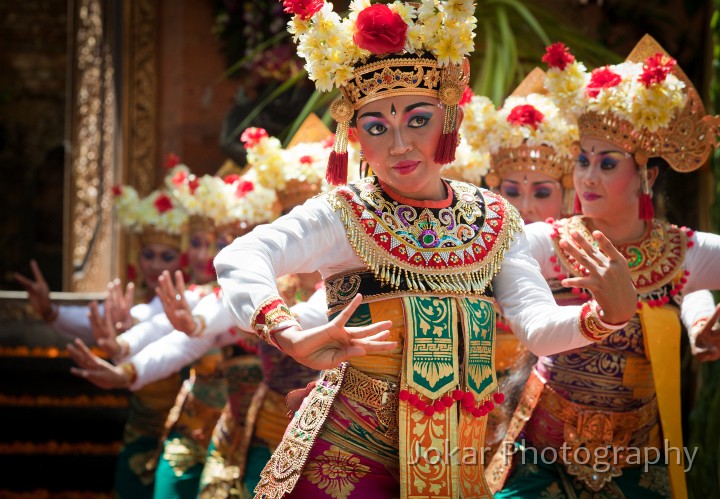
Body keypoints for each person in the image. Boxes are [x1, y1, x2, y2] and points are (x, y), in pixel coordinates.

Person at [214, 2, 638, 497]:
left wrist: (606, 316)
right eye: (376, 127)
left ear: (448, 118)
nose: (399, 145)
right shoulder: (345, 212)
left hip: (452, 463)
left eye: (417, 120)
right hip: (348, 454)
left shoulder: (493, 217)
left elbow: (538, 328)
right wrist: (285, 330)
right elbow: (242, 256)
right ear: (354, 138)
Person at [487, 38, 720, 499]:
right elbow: (482, 258)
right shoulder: (548, 242)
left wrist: (702, 320)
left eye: (607, 163)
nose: (588, 176)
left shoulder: (681, 252)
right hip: (543, 455)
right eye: (583, 160)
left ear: (647, 176)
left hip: (639, 463)